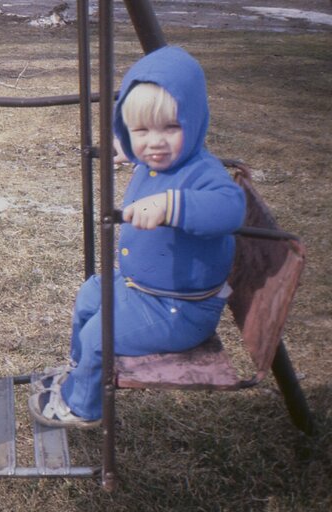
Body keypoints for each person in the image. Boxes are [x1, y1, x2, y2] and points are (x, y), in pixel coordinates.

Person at [28, 46, 246, 428]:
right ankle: (80, 370)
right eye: (141, 131)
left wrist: (171, 206)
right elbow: (144, 145)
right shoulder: (156, 159)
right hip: (144, 289)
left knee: (100, 333)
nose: (155, 143)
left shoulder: (201, 173)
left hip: (179, 310)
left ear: (194, 124)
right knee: (90, 295)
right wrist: (128, 148)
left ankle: (82, 406)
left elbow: (230, 209)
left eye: (170, 128)